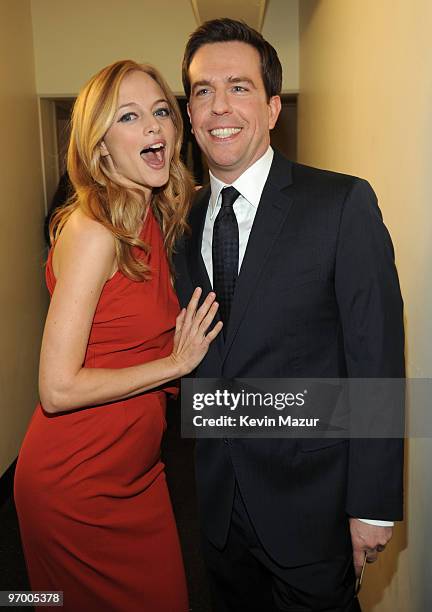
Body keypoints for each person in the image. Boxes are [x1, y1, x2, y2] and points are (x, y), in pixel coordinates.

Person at [173, 18, 405, 611]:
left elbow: (375, 360)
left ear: (273, 108)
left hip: (313, 510)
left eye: (239, 86)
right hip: (218, 511)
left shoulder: (341, 204)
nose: (219, 105)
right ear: (190, 113)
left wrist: (372, 505)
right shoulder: (180, 222)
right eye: (202, 90)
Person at [14, 59, 222, 612]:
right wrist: (175, 365)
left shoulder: (153, 217)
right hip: (73, 481)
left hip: (138, 474)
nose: (154, 127)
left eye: (160, 112)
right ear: (100, 147)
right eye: (129, 117)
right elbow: (56, 389)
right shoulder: (93, 230)